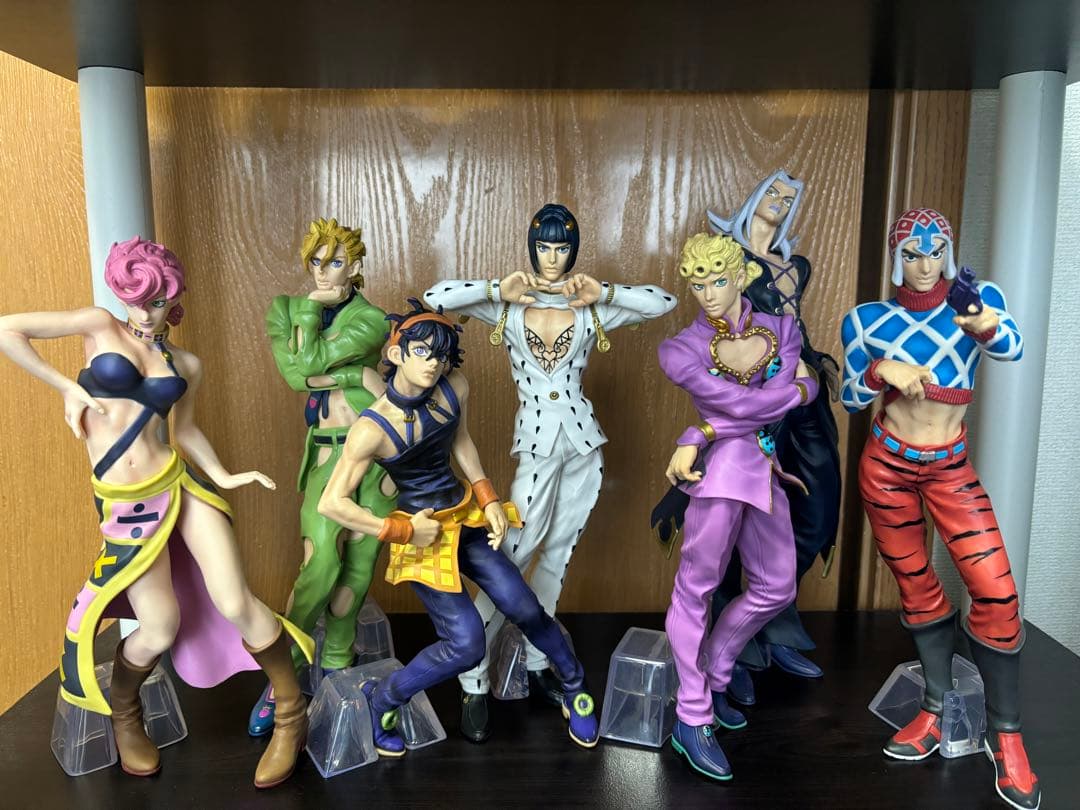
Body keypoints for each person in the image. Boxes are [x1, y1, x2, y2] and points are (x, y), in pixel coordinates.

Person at [0, 237, 311, 788]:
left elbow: (183, 431)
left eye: (157, 300)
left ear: (174, 297)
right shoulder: (99, 326)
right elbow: (7, 329)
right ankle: (125, 715)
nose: (145, 312)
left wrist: (224, 476)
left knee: (235, 599)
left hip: (180, 485)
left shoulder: (185, 364)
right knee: (160, 626)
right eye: (136, 299)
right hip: (128, 504)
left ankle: (291, 714)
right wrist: (67, 387)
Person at [424, 203, 675, 740]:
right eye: (545, 247)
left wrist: (604, 292)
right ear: (532, 247)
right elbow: (435, 298)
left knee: (557, 555)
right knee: (510, 558)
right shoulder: (509, 304)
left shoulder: (589, 305)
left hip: (583, 444)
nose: (553, 257)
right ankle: (473, 677)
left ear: (573, 250)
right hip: (536, 447)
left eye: (562, 248)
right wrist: (497, 288)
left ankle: (539, 662)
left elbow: (663, 302)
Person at [318, 299, 600, 755]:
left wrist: (488, 497)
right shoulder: (371, 429)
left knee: (524, 607)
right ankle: (383, 699)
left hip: (465, 520)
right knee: (466, 645)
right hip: (423, 537)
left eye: (441, 355)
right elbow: (332, 503)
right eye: (422, 352)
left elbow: (461, 440)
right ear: (396, 354)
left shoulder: (454, 388)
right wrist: (401, 531)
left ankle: (574, 685)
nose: (434, 363)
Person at [840, 208, 1037, 810]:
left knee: (997, 592)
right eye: (911, 253)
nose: (924, 264)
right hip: (886, 466)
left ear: (948, 251)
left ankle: (1006, 735)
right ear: (895, 256)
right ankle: (933, 706)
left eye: (934, 251)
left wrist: (982, 323)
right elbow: (849, 396)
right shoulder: (867, 318)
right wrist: (881, 368)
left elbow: (1013, 347)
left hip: (950, 467)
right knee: (916, 586)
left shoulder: (976, 300)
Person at [659, 233, 818, 780]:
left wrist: (701, 430)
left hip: (764, 470)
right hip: (721, 476)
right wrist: (796, 390)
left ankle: (716, 675)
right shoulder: (679, 349)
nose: (707, 293)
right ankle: (692, 714)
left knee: (777, 586)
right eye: (697, 284)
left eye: (718, 280)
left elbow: (764, 408)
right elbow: (752, 404)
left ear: (741, 276)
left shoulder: (784, 329)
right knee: (695, 589)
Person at [251, 218, 396, 735]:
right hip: (325, 455)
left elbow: (309, 363)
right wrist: (356, 372)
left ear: (354, 266)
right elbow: (298, 375)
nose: (323, 271)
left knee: (358, 566)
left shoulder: (371, 319)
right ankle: (283, 677)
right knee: (319, 562)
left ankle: (336, 665)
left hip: (373, 459)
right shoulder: (286, 309)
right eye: (316, 261)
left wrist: (331, 367)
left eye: (335, 262)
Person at [705, 171, 841, 704]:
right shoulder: (727, 258)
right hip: (754, 394)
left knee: (817, 506)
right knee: (738, 516)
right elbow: (719, 327)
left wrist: (805, 371)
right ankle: (730, 643)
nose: (780, 203)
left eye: (789, 198)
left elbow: (793, 327)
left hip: (803, 390)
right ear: (754, 198)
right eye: (772, 194)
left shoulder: (795, 266)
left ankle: (770, 619)